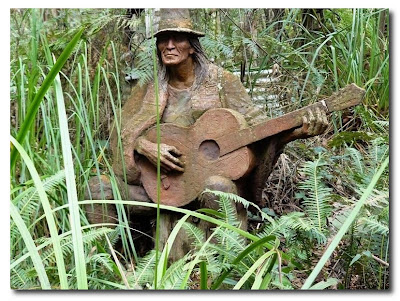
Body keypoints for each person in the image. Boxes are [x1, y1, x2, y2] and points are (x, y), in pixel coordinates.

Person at [85, 9, 328, 261]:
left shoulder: (222, 82)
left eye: (177, 38)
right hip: (160, 189)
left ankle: (215, 271)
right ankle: (103, 266)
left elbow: (260, 129)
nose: (169, 45)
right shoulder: (148, 88)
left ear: (192, 46)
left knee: (218, 189)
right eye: (163, 39)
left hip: (206, 188)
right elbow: (121, 136)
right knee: (98, 189)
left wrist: (295, 132)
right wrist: (144, 146)